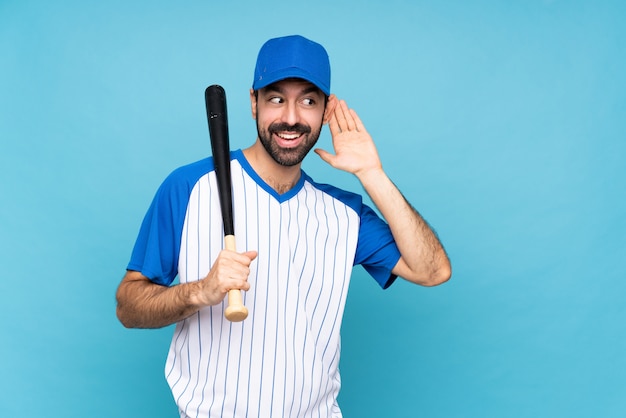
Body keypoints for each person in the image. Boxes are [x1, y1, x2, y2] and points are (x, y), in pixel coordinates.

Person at [116, 34, 451, 418]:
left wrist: (371, 174)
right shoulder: (189, 187)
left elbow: (433, 270)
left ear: (326, 111)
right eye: (276, 98)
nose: (291, 117)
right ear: (253, 102)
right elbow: (128, 306)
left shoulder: (344, 213)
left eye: (308, 101)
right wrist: (198, 292)